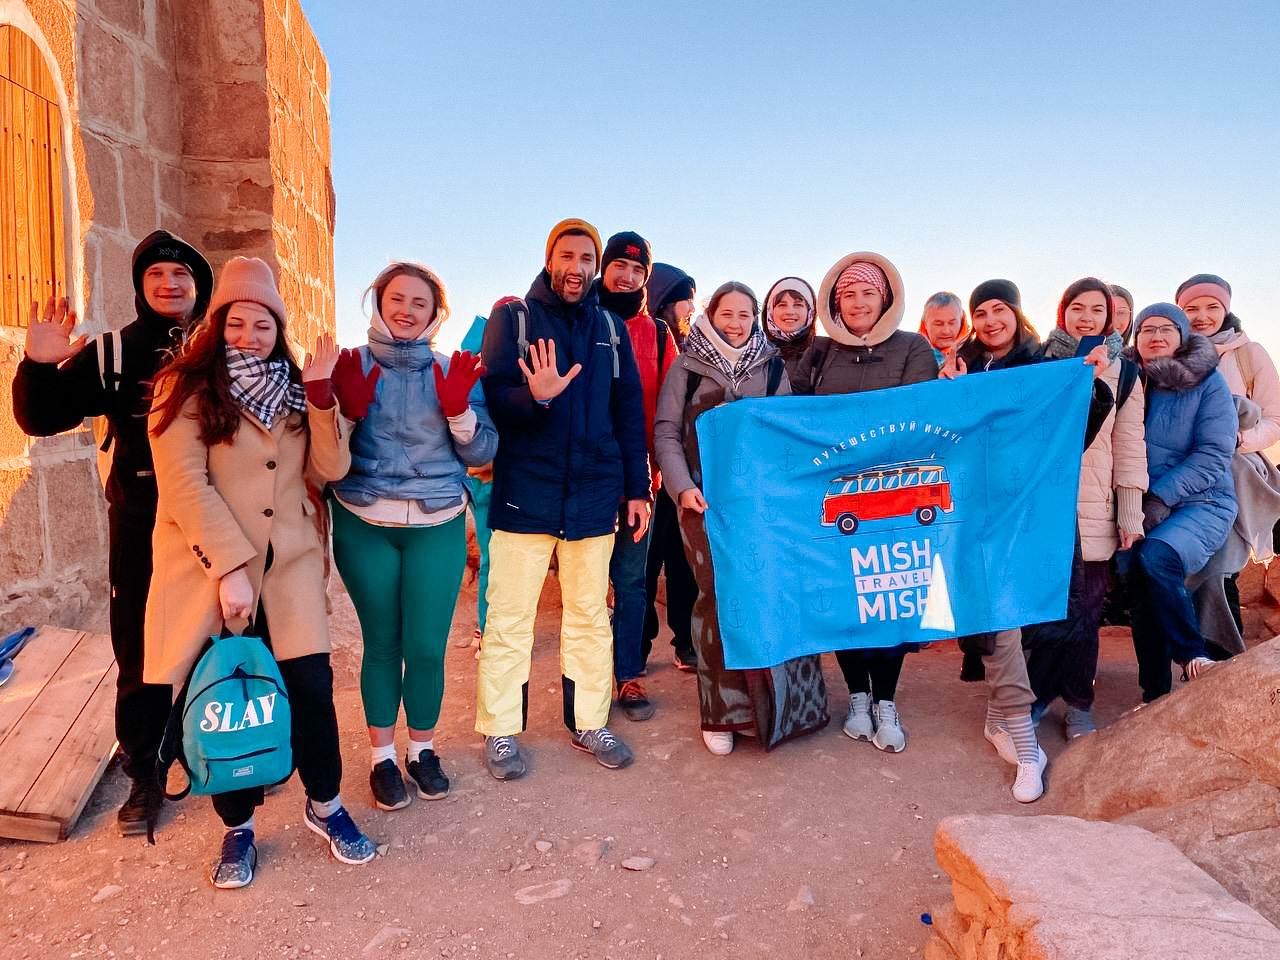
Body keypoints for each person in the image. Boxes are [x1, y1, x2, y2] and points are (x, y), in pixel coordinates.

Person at [145, 257, 375, 888]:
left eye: (263, 326)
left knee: (310, 691)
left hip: (292, 566)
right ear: (217, 326)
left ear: (279, 330)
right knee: (231, 700)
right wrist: (228, 569)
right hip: (217, 570)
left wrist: (325, 395)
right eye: (237, 323)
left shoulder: (298, 392)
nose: (249, 337)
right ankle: (237, 826)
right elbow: (185, 485)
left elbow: (330, 470)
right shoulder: (183, 389)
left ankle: (324, 804)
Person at [11, 230, 213, 836]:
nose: (170, 284)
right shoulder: (114, 353)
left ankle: (224, 757)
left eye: (181, 275)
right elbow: (43, 416)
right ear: (140, 286)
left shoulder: (221, 347)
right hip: (141, 525)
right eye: (156, 276)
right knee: (140, 650)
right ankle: (146, 774)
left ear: (199, 286)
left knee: (223, 641)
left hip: (211, 525)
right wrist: (40, 365)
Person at [476, 219, 650, 780]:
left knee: (588, 617)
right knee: (509, 619)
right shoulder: (513, 318)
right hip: (527, 494)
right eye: (566, 255)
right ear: (550, 258)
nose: (576, 268)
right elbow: (497, 400)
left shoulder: (609, 328)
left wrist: (638, 490)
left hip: (595, 495)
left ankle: (589, 721)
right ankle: (502, 731)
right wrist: (535, 397)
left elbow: (627, 415)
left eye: (585, 258)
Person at [327, 262, 497, 811]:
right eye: (396, 298)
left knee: (426, 647)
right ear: (378, 302)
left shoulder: (455, 369)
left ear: (434, 313)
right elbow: (325, 459)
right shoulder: (348, 364)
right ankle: (381, 759)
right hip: (365, 519)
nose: (406, 310)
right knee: (383, 644)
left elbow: (483, 453)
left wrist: (460, 413)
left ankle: (422, 750)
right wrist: (344, 412)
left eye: (418, 303)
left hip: (436, 523)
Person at [655, 282, 826, 755]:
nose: (736, 323)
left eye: (745, 316)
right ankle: (722, 713)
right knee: (716, 600)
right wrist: (682, 487)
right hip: (703, 504)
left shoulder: (771, 370)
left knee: (775, 591)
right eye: (727, 314)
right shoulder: (687, 367)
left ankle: (785, 709)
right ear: (710, 316)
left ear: (755, 320)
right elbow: (666, 433)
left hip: (763, 507)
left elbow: (788, 434)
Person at [791, 254, 937, 754]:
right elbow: (799, 419)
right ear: (836, 302)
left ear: (885, 298)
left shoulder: (913, 348)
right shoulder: (819, 353)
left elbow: (915, 416)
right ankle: (857, 698)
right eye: (847, 295)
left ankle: (887, 701)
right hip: (836, 498)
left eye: (867, 293)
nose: (857, 303)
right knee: (843, 599)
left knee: (887, 595)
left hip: (897, 497)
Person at [1022, 278, 1147, 739]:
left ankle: (1078, 702)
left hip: (1094, 505)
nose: (1088, 317)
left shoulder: (1127, 373)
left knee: (1087, 612)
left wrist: (1130, 514)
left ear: (1112, 317)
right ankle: (1034, 698)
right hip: (1042, 507)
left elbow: (1129, 446)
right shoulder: (1041, 363)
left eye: (1099, 310)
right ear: (1062, 313)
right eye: (1078, 307)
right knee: (1045, 609)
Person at [1124, 303, 1237, 702]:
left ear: (1183, 335)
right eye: (1146, 329)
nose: (1156, 336)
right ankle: (1154, 693)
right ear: (1135, 338)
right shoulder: (1127, 382)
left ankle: (1193, 656)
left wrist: (1159, 496)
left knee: (1155, 558)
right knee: (1139, 581)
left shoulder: (1207, 382)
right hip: (1136, 504)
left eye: (1166, 329)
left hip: (1202, 500)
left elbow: (1213, 454)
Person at [595, 232, 678, 722]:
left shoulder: (660, 335)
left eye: (637, 270)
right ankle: (586, 676)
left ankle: (628, 674)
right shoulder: (584, 319)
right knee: (587, 588)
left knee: (631, 583)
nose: (626, 276)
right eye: (618, 266)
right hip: (586, 479)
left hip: (637, 481)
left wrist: (656, 474)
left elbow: (667, 411)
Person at [1175, 274, 1280, 655]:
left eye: (1212, 307)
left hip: (1234, 476)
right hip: (1184, 477)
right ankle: (1198, 668)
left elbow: (1275, 419)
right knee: (1188, 569)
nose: (1202, 316)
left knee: (1221, 570)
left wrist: (1240, 439)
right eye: (1192, 309)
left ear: (1226, 309)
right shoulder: (1171, 351)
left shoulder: (1249, 353)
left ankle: (1225, 666)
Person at [642, 264, 700, 671]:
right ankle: (638, 647)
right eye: (685, 298)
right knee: (642, 566)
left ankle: (686, 642)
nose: (692, 307)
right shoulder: (643, 340)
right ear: (663, 299)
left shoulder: (695, 347)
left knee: (683, 562)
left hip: (680, 470)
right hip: (646, 471)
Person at [762, 276, 817, 384]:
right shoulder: (754, 354)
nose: (790, 312)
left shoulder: (823, 353)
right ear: (770, 311)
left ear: (810, 312)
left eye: (798, 305)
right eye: (782, 305)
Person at [918, 291, 970, 367]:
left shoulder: (977, 355)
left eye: (952, 323)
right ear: (925, 324)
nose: (946, 331)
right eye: (938, 324)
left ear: (961, 323)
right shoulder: (911, 356)